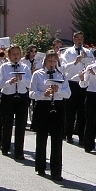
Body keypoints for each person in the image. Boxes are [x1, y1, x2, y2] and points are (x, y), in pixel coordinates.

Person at [29, 50, 71, 180]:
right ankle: (40, 166)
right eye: (49, 60)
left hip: (57, 107)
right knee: (41, 138)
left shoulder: (61, 75)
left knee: (57, 139)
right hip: (42, 106)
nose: (52, 63)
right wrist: (44, 94)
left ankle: (56, 171)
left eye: (54, 61)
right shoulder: (38, 74)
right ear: (45, 61)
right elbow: (31, 93)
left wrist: (58, 91)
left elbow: (68, 94)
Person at [0, 45, 31, 159]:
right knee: (7, 124)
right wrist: (9, 82)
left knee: (21, 125)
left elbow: (29, 84)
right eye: (13, 54)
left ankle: (19, 151)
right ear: (9, 55)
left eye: (17, 54)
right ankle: (5, 147)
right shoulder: (4, 67)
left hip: (21, 97)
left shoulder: (25, 67)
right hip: (8, 97)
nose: (15, 56)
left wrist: (22, 79)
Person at [62, 31, 93, 145]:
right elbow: (64, 68)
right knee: (70, 111)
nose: (79, 40)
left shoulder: (88, 52)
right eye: (77, 38)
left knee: (82, 112)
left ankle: (81, 136)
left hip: (83, 83)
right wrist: (75, 62)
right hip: (71, 83)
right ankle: (68, 135)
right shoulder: (68, 52)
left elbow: (92, 66)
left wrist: (86, 63)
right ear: (74, 39)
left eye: (81, 38)